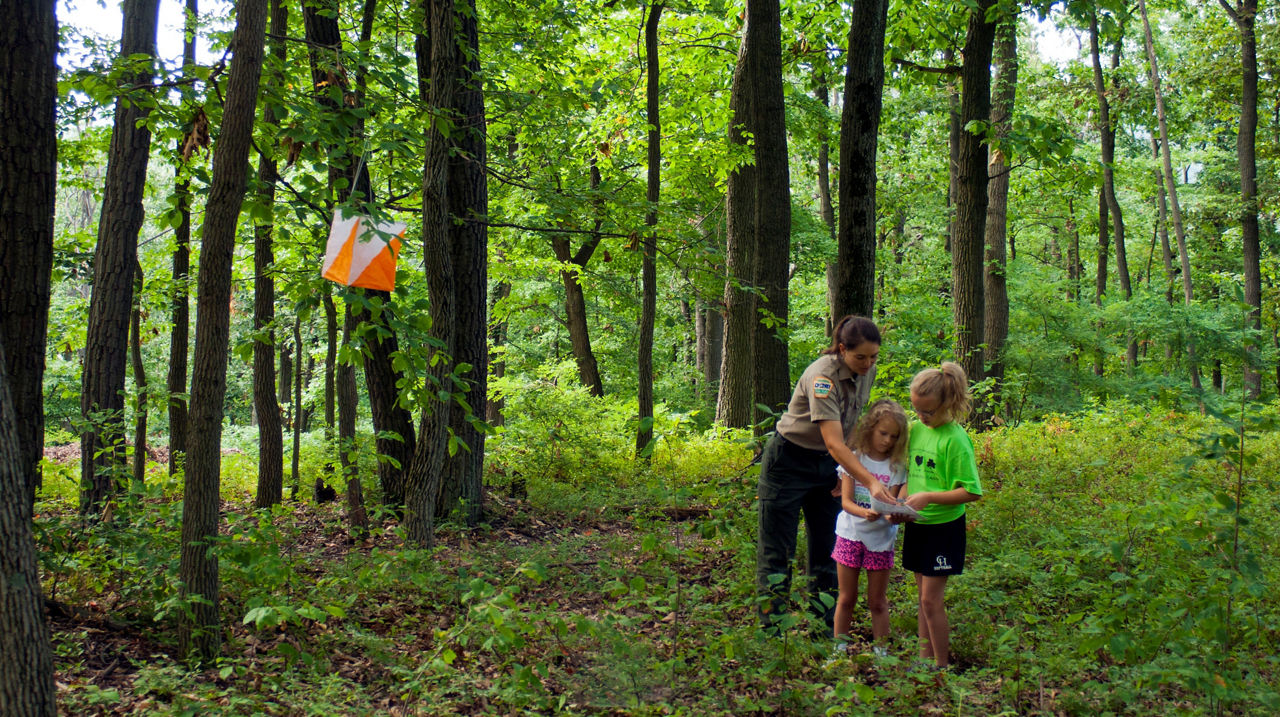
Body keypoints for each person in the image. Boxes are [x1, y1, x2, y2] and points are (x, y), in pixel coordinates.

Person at [756, 316, 895, 630]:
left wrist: (844, 474)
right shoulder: (823, 376)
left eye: (874, 357)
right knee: (777, 552)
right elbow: (834, 441)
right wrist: (869, 480)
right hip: (789, 461)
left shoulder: (867, 371)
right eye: (860, 357)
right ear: (842, 349)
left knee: (829, 549)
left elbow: (850, 428)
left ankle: (823, 629)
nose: (868, 363)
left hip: (829, 466)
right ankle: (773, 633)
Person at [901, 362, 983, 669]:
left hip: (944, 529)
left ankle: (942, 665)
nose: (921, 417)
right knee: (922, 598)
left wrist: (928, 498)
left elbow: (971, 491)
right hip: (918, 525)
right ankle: (924, 661)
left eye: (928, 412)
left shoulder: (955, 440)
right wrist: (901, 500)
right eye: (916, 410)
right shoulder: (917, 430)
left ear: (947, 404)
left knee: (931, 601)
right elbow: (913, 474)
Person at [830, 399, 909, 659]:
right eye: (882, 433)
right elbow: (846, 502)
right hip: (851, 534)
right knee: (846, 597)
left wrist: (893, 515)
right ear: (870, 429)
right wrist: (865, 512)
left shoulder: (896, 468)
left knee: (877, 600)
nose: (887, 440)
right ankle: (839, 649)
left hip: (881, 539)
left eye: (893, 436)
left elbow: (894, 505)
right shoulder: (855, 459)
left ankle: (881, 653)